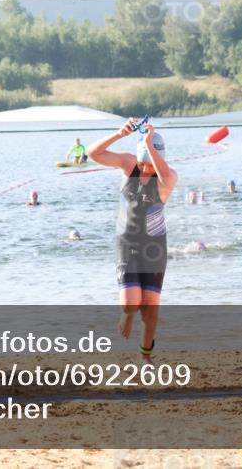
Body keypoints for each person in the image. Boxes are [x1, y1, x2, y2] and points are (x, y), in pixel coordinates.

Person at [87, 118, 177, 362]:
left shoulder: (168, 177)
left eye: (151, 163)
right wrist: (118, 134)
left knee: (150, 307)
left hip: (154, 248)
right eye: (143, 162)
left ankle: (145, 357)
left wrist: (149, 143)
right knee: (130, 304)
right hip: (127, 244)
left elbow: (164, 173)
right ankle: (127, 314)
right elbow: (92, 153)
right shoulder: (129, 165)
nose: (145, 168)